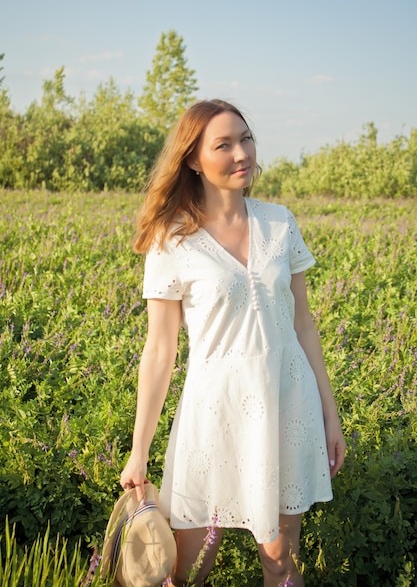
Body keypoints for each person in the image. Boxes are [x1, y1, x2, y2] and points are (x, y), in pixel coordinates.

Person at [120, 99, 346, 586]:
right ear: (194, 160)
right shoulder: (172, 239)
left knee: (280, 563)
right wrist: (140, 451)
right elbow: (159, 351)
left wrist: (330, 413)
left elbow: (304, 325)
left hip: (286, 404)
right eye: (224, 144)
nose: (242, 152)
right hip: (213, 413)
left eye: (246, 139)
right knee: (187, 569)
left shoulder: (280, 223)